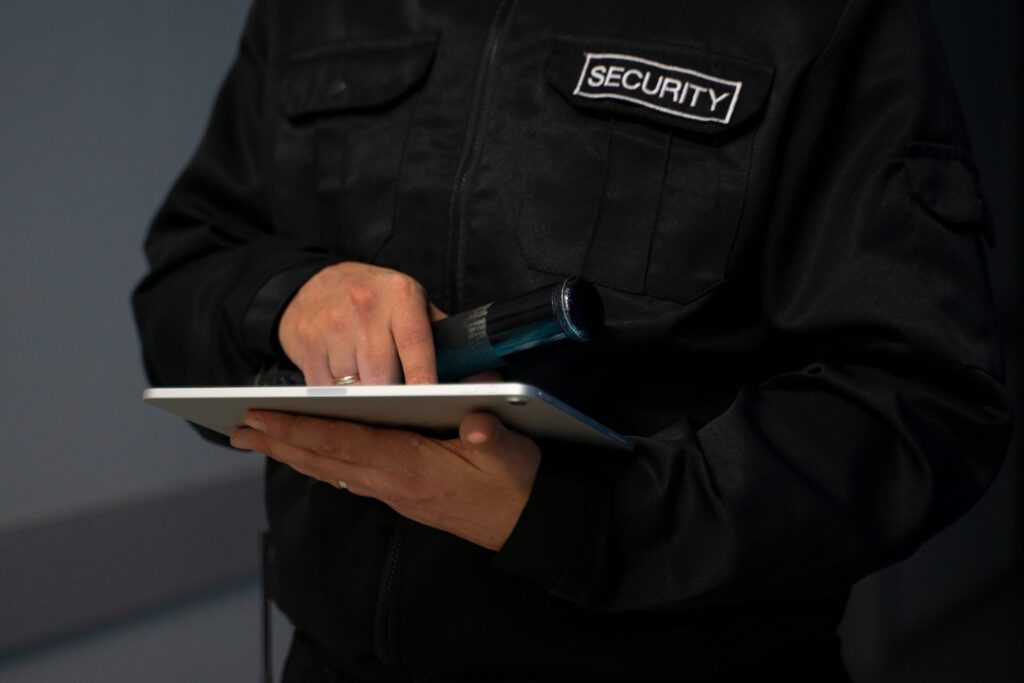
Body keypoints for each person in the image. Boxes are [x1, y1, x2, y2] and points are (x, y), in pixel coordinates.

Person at [133, 0, 1012, 679]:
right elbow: (184, 271)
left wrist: (583, 520)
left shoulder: (823, 13)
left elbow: (921, 397)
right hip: (329, 662)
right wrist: (285, 298)